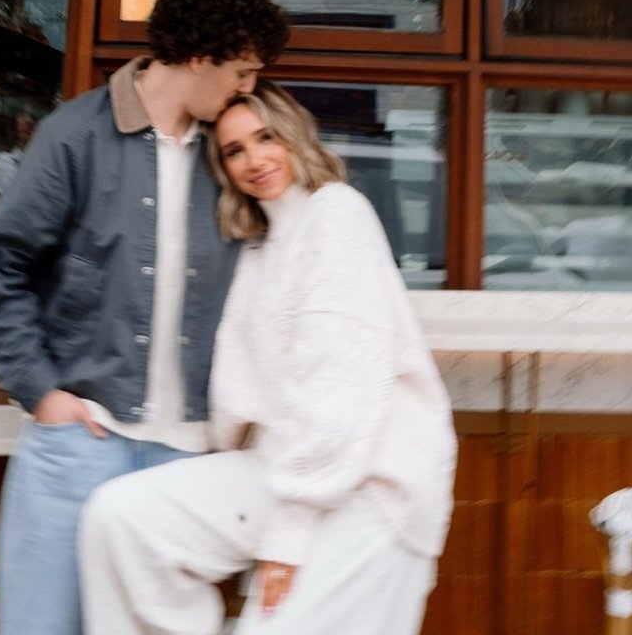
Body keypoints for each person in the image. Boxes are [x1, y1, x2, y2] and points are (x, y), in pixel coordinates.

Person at [0, 0, 291, 635]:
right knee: (40, 625)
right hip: (82, 440)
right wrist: (42, 394)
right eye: (242, 70)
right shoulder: (75, 136)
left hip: (186, 451)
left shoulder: (226, 155)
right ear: (202, 55)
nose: (248, 88)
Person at [79, 81, 457, 635]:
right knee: (119, 519)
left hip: (370, 485)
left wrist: (287, 536)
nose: (254, 159)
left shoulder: (338, 215)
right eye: (234, 150)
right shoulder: (258, 248)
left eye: (265, 137)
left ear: (293, 135)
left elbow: (337, 390)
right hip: (286, 469)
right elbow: (247, 394)